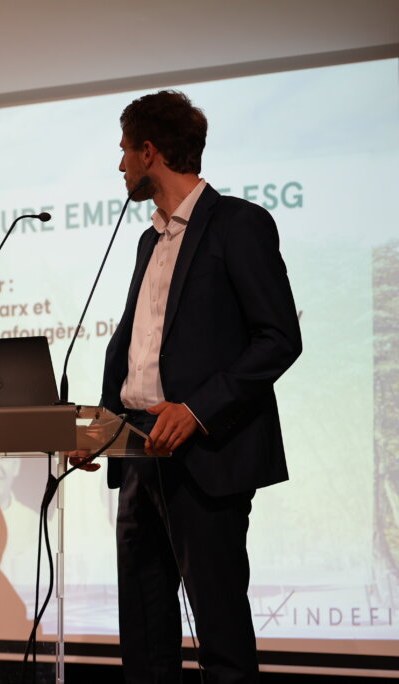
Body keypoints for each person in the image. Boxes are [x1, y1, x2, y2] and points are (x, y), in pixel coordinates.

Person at [77, 91, 302, 684]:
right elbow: (136, 349)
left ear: (149, 151)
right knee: (145, 640)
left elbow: (279, 338)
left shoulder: (239, 224)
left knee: (220, 639)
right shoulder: (149, 240)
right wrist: (99, 427)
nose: (120, 164)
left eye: (125, 151)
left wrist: (197, 410)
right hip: (138, 452)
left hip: (205, 454)